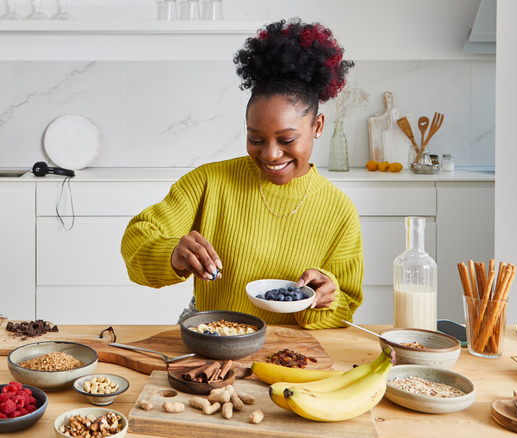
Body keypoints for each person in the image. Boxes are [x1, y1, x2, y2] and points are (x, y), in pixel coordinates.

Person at [121, 18, 363, 329]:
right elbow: (136, 241)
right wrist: (172, 253)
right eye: (256, 139)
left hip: (287, 353)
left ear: (317, 127)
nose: (270, 155)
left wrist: (325, 296)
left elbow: (346, 310)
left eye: (287, 140)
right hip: (211, 340)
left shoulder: (339, 210)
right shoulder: (209, 182)